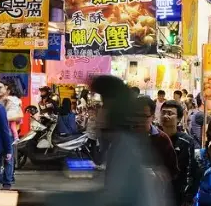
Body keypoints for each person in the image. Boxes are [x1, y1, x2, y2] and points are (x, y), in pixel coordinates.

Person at [46, 75, 173, 206]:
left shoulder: (125, 147)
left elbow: (112, 198)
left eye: (101, 105)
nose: (97, 112)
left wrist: (50, 199)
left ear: (113, 110)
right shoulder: (121, 143)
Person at [136, 95, 179, 191]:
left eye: (143, 116)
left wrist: (156, 175)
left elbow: (173, 171)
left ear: (152, 117)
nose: (139, 121)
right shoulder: (126, 137)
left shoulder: (162, 139)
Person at [160, 100, 195, 206]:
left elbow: (189, 171)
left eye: (170, 113)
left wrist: (187, 196)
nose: (166, 116)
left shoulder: (186, 141)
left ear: (179, 119)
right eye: (163, 113)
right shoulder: (153, 138)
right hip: (156, 193)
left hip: (177, 195)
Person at [0, 78, 23, 189]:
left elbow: (19, 115)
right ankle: (7, 179)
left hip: (5, 130)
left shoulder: (7, 99)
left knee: (7, 157)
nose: (0, 88)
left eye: (1, 86)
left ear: (7, 89)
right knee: (8, 157)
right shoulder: (15, 99)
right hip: (7, 130)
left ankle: (7, 180)